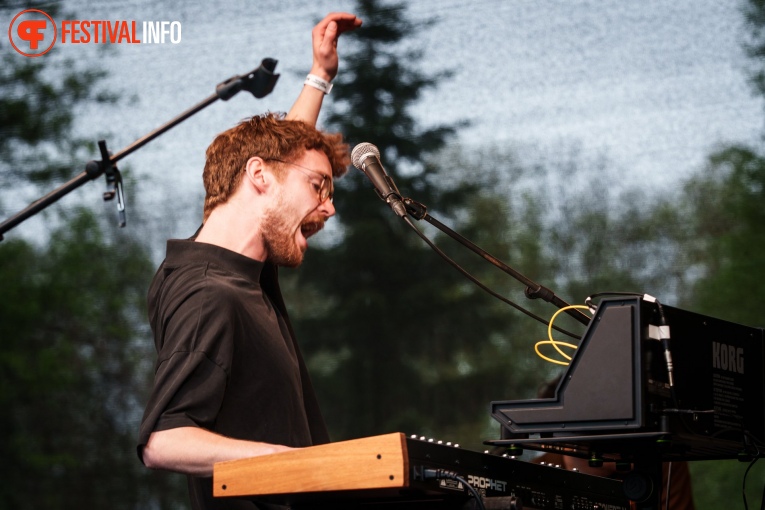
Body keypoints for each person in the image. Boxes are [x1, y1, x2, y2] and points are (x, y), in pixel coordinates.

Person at [136, 12, 362, 510]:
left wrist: (319, 77)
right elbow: (164, 440)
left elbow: (283, 165)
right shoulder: (208, 295)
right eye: (320, 188)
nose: (329, 206)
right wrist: (293, 464)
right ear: (257, 177)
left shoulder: (233, 265)